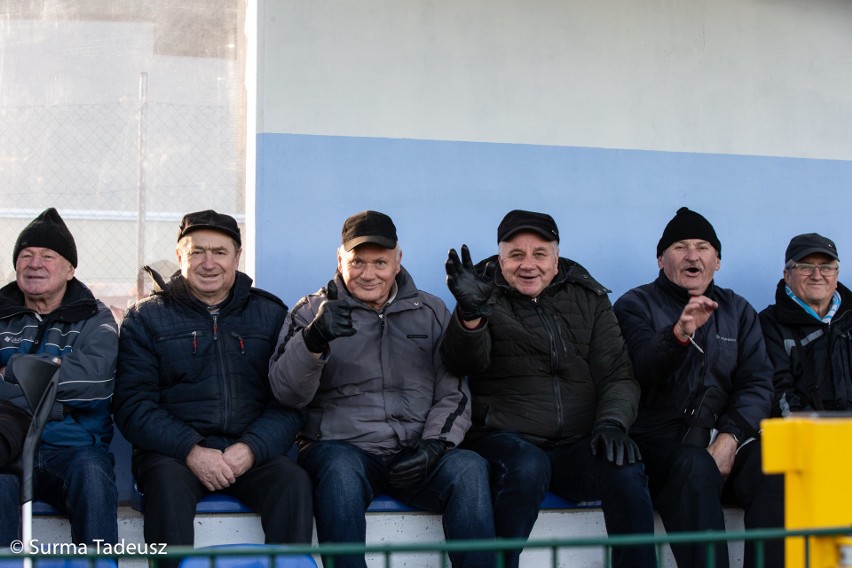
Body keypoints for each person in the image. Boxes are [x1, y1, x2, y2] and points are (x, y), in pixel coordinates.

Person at [268, 210, 495, 568]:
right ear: (340, 259)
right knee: (339, 471)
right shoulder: (311, 311)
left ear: (398, 261)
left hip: (417, 451)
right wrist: (314, 338)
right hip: (343, 450)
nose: (368, 273)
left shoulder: (432, 310)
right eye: (357, 261)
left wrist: (436, 445)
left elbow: (454, 390)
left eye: (380, 262)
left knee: (469, 468)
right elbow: (286, 393)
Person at [439, 209, 656, 568]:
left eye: (540, 254)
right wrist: (470, 315)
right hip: (505, 438)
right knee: (528, 465)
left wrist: (612, 424)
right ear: (500, 257)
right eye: (516, 255)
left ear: (556, 259)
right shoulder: (479, 294)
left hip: (576, 443)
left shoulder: (588, 297)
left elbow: (617, 373)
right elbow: (461, 364)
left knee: (625, 466)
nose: (528, 265)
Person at [113, 210, 311, 561]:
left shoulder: (271, 314)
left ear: (237, 256)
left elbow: (289, 400)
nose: (208, 263)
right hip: (174, 455)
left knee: (292, 482)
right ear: (180, 257)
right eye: (196, 252)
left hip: (250, 453)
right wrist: (192, 450)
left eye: (219, 252)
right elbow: (133, 405)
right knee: (166, 487)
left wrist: (250, 449)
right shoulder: (145, 318)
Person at [613, 206, 784, 567]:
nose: (693, 255)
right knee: (694, 466)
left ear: (717, 261)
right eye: (680, 247)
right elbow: (642, 368)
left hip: (724, 440)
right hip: (662, 447)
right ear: (661, 259)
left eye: (703, 246)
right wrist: (678, 335)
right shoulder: (635, 304)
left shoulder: (738, 309)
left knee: (775, 465)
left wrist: (731, 437)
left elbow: (757, 383)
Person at [0, 208, 118, 545]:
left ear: (69, 269)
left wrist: (10, 373)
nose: (35, 264)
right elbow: (73, 382)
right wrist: (50, 385)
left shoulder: (95, 317)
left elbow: (95, 384)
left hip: (73, 447)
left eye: (48, 256)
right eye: (26, 255)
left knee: (93, 478)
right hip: (6, 447)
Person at [760, 233, 852, 414]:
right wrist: (815, 436)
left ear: (836, 275)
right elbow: (778, 394)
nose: (817, 275)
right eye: (805, 267)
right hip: (807, 436)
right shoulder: (769, 324)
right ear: (787, 275)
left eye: (826, 267)